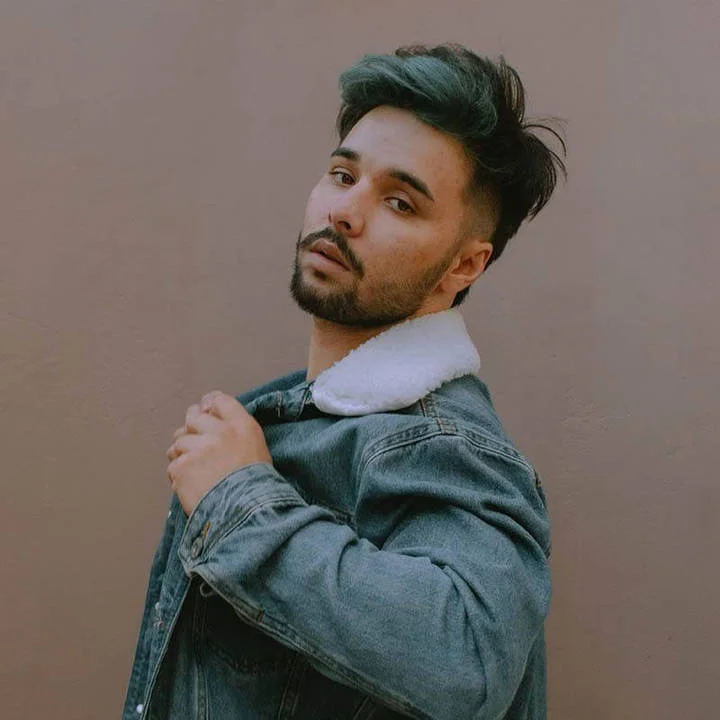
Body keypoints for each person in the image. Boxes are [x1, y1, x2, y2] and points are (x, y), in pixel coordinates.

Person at [122, 42, 566, 720]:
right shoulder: (290, 419)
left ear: (463, 266)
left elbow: (468, 661)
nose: (345, 212)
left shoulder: (444, 448)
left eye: (400, 202)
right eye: (341, 175)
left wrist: (239, 502)